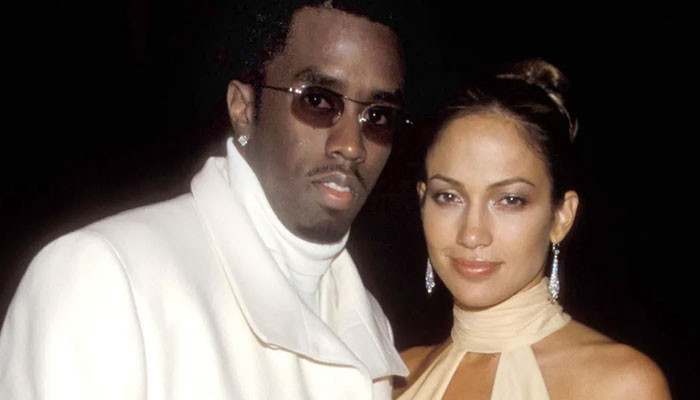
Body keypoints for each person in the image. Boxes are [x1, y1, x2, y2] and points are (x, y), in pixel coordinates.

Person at [0, 1, 411, 398]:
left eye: (377, 116)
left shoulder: (370, 325)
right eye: (318, 101)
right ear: (243, 108)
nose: (352, 146)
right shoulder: (105, 277)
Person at [394, 60, 670, 399]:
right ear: (422, 202)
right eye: (449, 197)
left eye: (510, 200)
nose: (472, 234)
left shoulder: (621, 384)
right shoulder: (398, 376)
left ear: (561, 218)